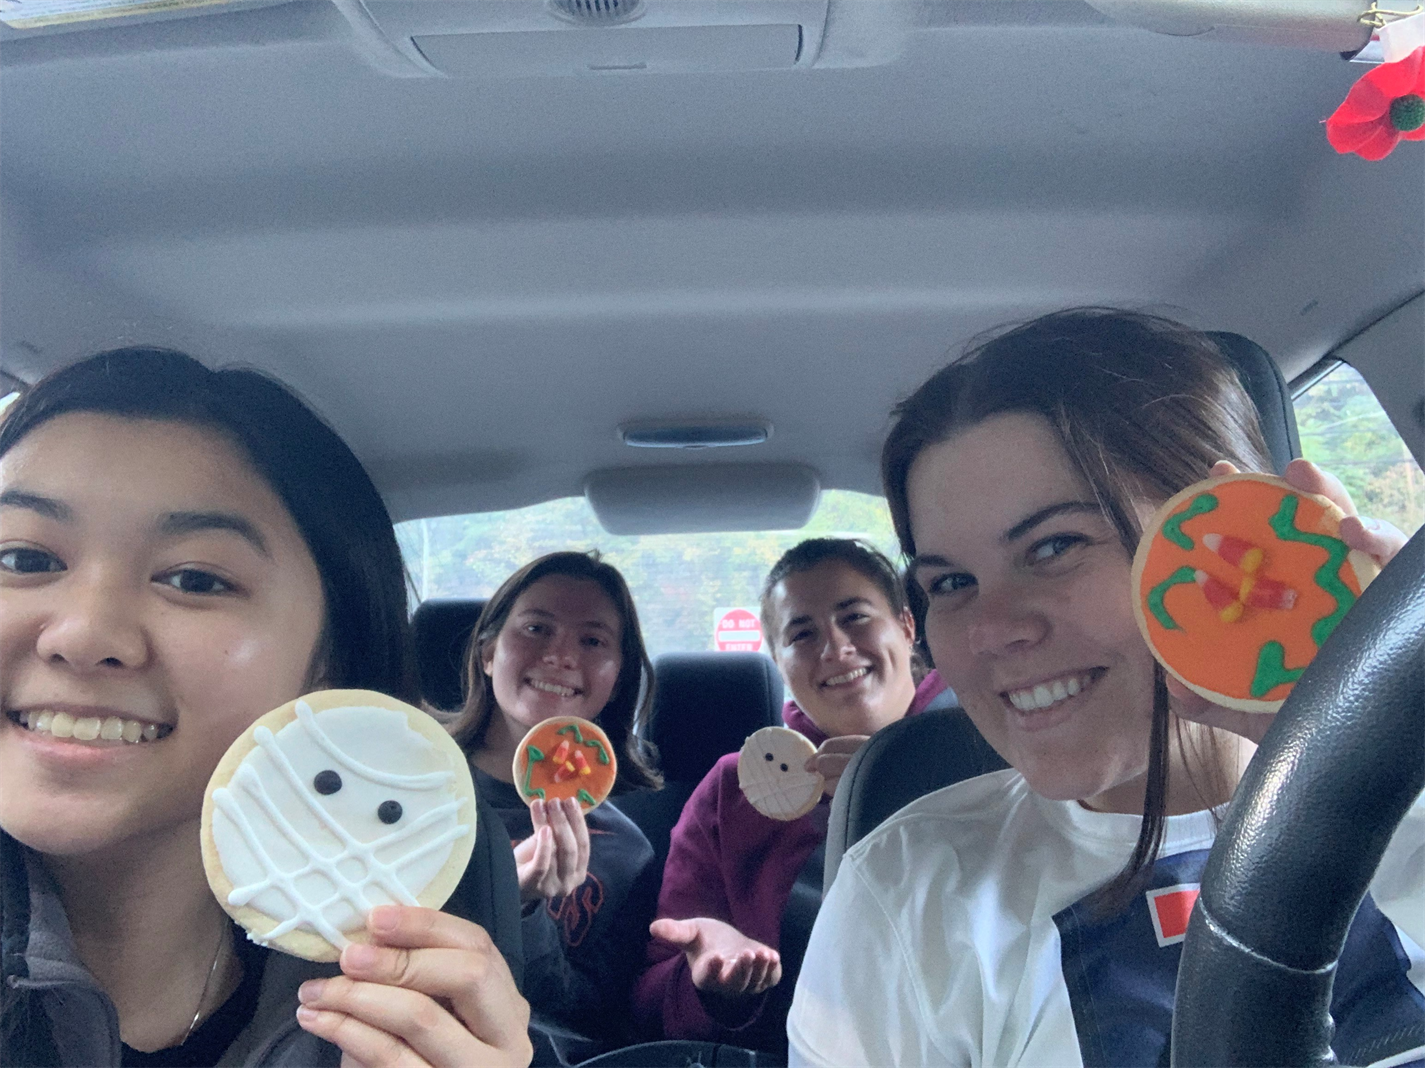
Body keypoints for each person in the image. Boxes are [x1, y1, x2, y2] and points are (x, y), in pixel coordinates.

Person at [787, 309, 1421, 1067]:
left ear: (1239, 527)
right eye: (950, 582)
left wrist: (1378, 718)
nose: (990, 630)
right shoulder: (905, 896)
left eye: (1054, 546)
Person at [0, 348, 532, 1068]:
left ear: (329, 670)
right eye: (24, 560)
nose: (85, 635)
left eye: (194, 577)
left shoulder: (420, 973)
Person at [634, 538, 949, 1055]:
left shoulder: (986, 753)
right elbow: (651, 1002)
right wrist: (709, 985)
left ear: (907, 626)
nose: (835, 648)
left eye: (855, 617)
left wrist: (897, 795)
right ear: (778, 661)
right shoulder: (732, 792)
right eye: (802, 634)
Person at [449, 551, 662, 1060]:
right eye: (537, 628)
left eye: (592, 641)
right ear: (487, 652)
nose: (561, 655)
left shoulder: (625, 853)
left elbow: (582, 1017)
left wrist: (522, 909)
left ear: (615, 678)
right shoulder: (406, 776)